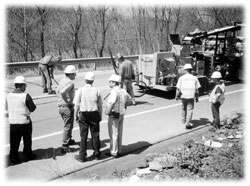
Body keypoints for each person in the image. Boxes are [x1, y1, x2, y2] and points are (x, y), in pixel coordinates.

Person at [5, 76, 37, 165]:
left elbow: (6, 108)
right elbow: (33, 108)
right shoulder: (26, 95)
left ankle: (14, 158)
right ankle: (28, 155)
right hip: (24, 122)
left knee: (14, 142)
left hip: (13, 122)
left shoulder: (9, 96)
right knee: (27, 140)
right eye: (25, 85)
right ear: (23, 86)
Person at [73, 72, 103, 163]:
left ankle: (82, 156)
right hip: (94, 114)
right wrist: (100, 116)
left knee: (83, 136)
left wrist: (75, 115)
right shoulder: (97, 90)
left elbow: (77, 105)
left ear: (85, 80)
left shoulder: (80, 90)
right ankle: (97, 154)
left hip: (84, 114)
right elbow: (100, 106)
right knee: (95, 135)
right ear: (93, 80)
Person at [105, 74, 132, 158]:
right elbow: (130, 101)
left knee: (113, 134)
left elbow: (112, 102)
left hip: (114, 115)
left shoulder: (114, 91)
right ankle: (119, 150)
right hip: (121, 114)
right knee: (119, 133)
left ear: (114, 82)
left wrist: (107, 111)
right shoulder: (123, 91)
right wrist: (123, 106)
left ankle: (113, 151)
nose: (109, 83)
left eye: (110, 82)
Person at [56, 65, 77, 153]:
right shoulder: (70, 83)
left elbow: (57, 90)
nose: (75, 76)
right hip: (66, 107)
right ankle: (64, 145)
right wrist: (68, 101)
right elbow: (62, 91)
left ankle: (69, 139)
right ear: (71, 74)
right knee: (68, 126)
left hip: (61, 106)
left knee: (69, 124)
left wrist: (61, 99)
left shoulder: (62, 80)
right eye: (74, 74)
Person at [175, 63, 201, 129]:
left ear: (185, 70)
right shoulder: (194, 78)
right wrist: (197, 97)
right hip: (191, 96)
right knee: (190, 109)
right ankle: (188, 123)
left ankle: (183, 119)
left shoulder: (181, 78)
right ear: (190, 70)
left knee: (183, 108)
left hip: (183, 96)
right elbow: (197, 89)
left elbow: (178, 88)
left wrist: (177, 96)